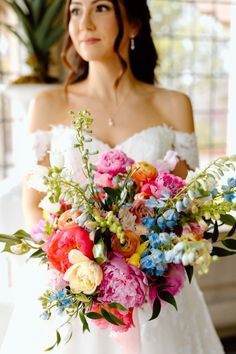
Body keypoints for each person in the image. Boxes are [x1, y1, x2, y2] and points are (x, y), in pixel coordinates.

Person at [0, 0, 225, 353]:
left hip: (153, 287)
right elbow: (34, 205)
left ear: (133, 24)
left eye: (100, 8)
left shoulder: (173, 104)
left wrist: (145, 256)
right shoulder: (47, 103)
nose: (84, 23)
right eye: (75, 11)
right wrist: (77, 263)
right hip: (70, 283)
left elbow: (187, 206)